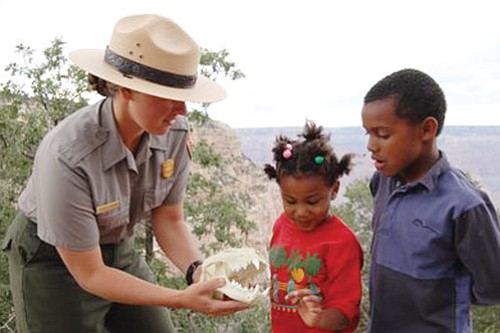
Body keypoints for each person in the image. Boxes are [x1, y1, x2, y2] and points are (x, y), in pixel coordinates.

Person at [2, 14, 249, 333]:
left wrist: (198, 271)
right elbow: (90, 274)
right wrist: (181, 298)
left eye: (184, 96)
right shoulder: (68, 154)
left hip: (119, 247)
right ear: (127, 89)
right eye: (169, 96)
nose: (183, 110)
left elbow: (169, 218)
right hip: (54, 263)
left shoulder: (173, 134)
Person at [362, 68, 500, 333]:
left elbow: (493, 285)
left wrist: (439, 295)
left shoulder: (463, 204)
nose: (371, 145)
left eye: (382, 134)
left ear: (426, 129)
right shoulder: (383, 182)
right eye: (368, 133)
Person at [263, 120, 363, 333]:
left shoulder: (341, 242)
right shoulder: (281, 225)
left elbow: (345, 314)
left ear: (334, 189)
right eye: (290, 201)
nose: (300, 212)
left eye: (312, 202)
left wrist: (319, 318)